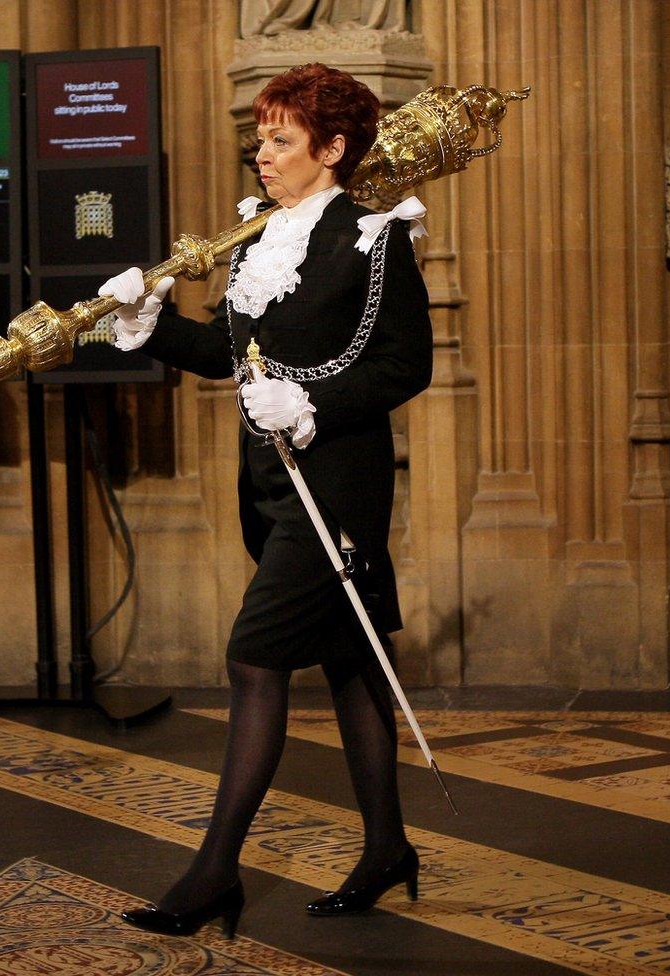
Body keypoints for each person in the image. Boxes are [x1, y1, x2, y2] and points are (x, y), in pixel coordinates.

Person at [99, 62, 432, 940]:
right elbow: (225, 351)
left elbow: (406, 364)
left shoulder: (374, 237)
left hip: (339, 484)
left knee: (255, 659)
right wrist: (149, 327)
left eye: (282, 140)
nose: (263, 155)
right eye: (260, 138)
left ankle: (214, 873)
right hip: (273, 487)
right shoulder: (253, 239)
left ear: (332, 149)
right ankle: (389, 846)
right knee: (352, 663)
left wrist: (314, 402)